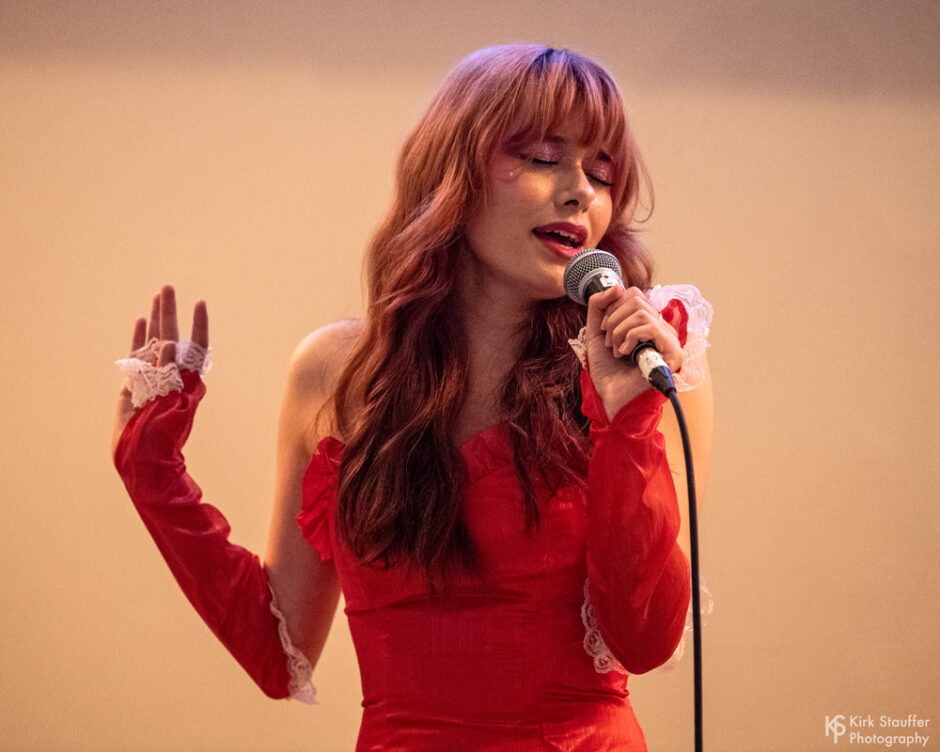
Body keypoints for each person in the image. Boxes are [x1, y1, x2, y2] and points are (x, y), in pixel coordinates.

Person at [112, 44, 714, 751]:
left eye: (602, 172)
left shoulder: (650, 360)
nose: (581, 191)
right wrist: (152, 475)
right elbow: (279, 653)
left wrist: (628, 422)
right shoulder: (335, 372)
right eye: (545, 157)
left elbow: (643, 639)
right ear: (453, 171)